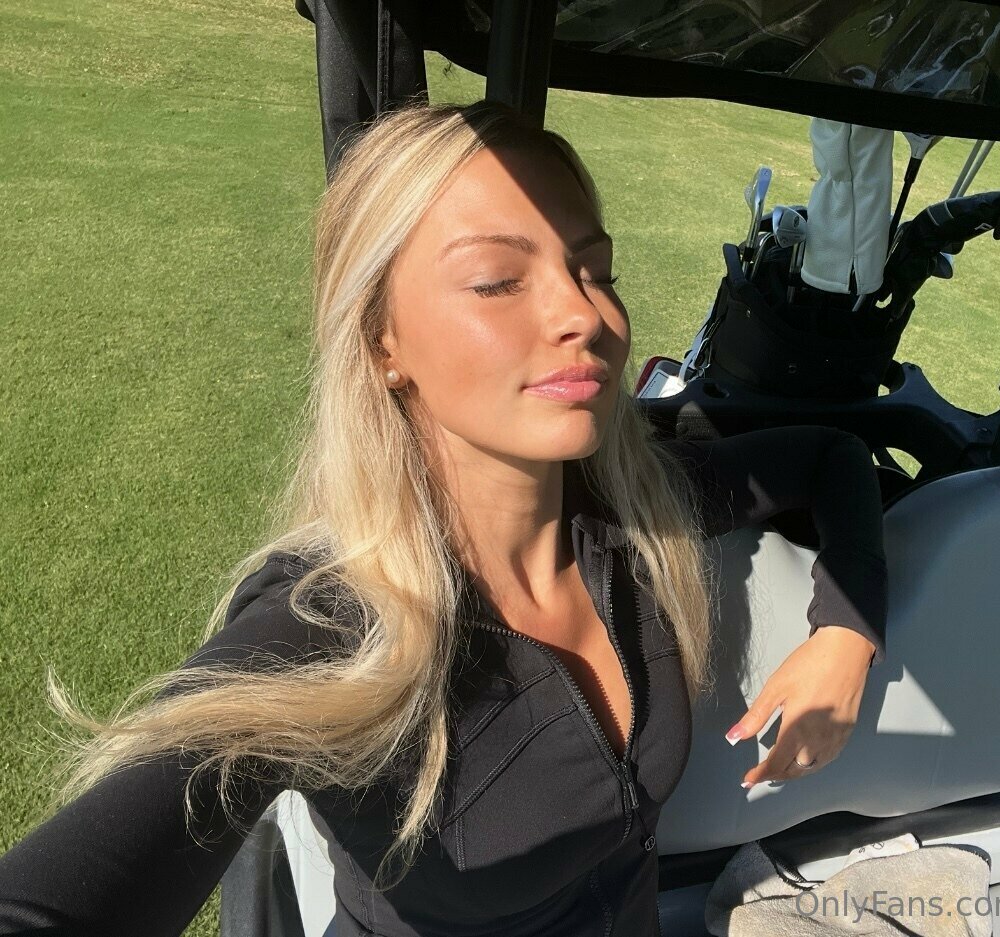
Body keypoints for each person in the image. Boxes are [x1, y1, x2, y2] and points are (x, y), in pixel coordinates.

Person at [0, 98, 888, 937]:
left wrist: (846, 634)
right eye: (498, 281)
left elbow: (831, 458)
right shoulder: (330, 631)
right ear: (382, 340)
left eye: (595, 269)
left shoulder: (636, 507)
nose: (584, 313)